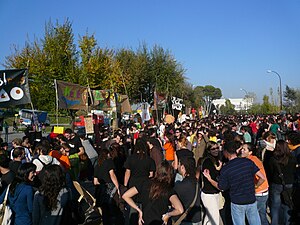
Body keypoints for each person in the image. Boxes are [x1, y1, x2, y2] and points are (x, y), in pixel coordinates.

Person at [203, 141, 266, 225]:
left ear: (226, 152)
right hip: (251, 199)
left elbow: (221, 187)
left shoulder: (226, 169)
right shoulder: (248, 162)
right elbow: (262, 178)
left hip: (237, 201)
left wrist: (210, 179)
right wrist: (255, 187)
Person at [122, 161, 184, 225]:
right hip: (160, 221)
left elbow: (125, 195)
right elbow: (180, 209)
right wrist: (168, 215)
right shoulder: (168, 190)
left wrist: (138, 210)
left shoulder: (145, 183)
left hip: (145, 221)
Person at [268, 140, 296, 225]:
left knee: (275, 206)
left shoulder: (273, 159)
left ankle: (275, 223)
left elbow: (270, 171)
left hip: (276, 183)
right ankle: (287, 222)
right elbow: (294, 171)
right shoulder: (292, 158)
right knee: (287, 204)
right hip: (289, 183)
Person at [240, 143, 269, 225]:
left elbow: (262, 177)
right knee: (261, 215)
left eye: (244, 149)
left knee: (252, 217)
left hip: (259, 193)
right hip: (263, 192)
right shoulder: (254, 159)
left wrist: (255, 186)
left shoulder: (251, 162)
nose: (241, 150)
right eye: (241, 148)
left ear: (250, 152)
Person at [94, 148, 121, 225]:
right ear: (107, 154)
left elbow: (95, 182)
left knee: (104, 210)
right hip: (109, 186)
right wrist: (117, 186)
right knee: (112, 207)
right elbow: (112, 175)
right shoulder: (109, 162)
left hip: (100, 188)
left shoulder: (97, 165)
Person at [200, 141, 223, 225]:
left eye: (217, 148)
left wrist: (218, 169)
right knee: (214, 218)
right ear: (208, 150)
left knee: (210, 217)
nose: (216, 150)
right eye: (213, 149)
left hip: (214, 193)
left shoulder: (216, 160)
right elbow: (211, 177)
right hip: (209, 193)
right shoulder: (207, 161)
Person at [175, 156, 202, 225]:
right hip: (196, 218)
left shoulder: (179, 185)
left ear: (182, 167)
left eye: (179, 164)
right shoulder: (196, 182)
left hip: (185, 219)